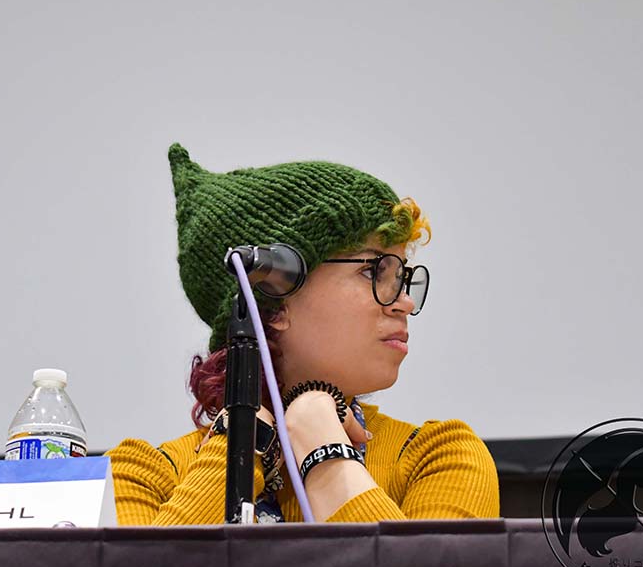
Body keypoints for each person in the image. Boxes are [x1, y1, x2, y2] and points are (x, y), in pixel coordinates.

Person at [105, 143, 499, 525]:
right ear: (274, 301)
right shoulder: (141, 474)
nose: (404, 303)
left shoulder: (438, 457)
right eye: (374, 271)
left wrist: (322, 445)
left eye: (402, 278)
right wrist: (241, 442)